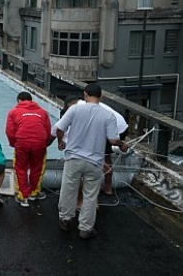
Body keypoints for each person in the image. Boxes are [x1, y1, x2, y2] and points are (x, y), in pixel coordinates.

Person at [55, 84, 128, 239]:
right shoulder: (108, 115)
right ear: (101, 97)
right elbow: (113, 140)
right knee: (90, 194)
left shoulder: (74, 109)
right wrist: (122, 144)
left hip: (74, 158)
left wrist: (60, 141)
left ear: (85, 94)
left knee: (68, 188)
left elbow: (60, 128)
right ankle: (85, 228)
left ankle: (65, 219)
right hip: (95, 161)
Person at [5, 91, 51, 207]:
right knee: (37, 168)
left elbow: (9, 131)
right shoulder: (43, 112)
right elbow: (48, 131)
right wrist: (43, 144)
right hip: (39, 143)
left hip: (22, 142)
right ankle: (34, 193)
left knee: (20, 168)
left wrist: (14, 144)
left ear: (19, 101)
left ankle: (23, 197)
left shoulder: (13, 112)